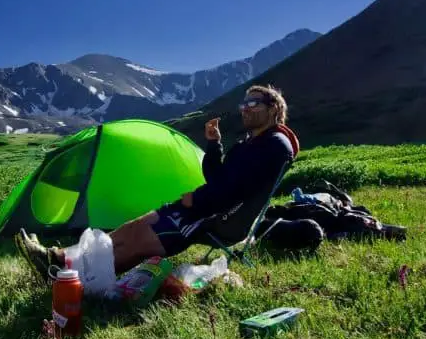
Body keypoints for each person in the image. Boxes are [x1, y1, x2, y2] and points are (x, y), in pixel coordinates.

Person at [15, 84, 298, 281]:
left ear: (273, 108)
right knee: (133, 227)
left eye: (252, 104)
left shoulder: (275, 145)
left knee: (138, 243)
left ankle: (68, 277)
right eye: (243, 104)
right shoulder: (252, 142)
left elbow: (237, 191)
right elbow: (218, 177)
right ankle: (59, 258)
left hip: (218, 218)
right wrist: (214, 145)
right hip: (205, 206)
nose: (245, 109)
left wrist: (195, 200)